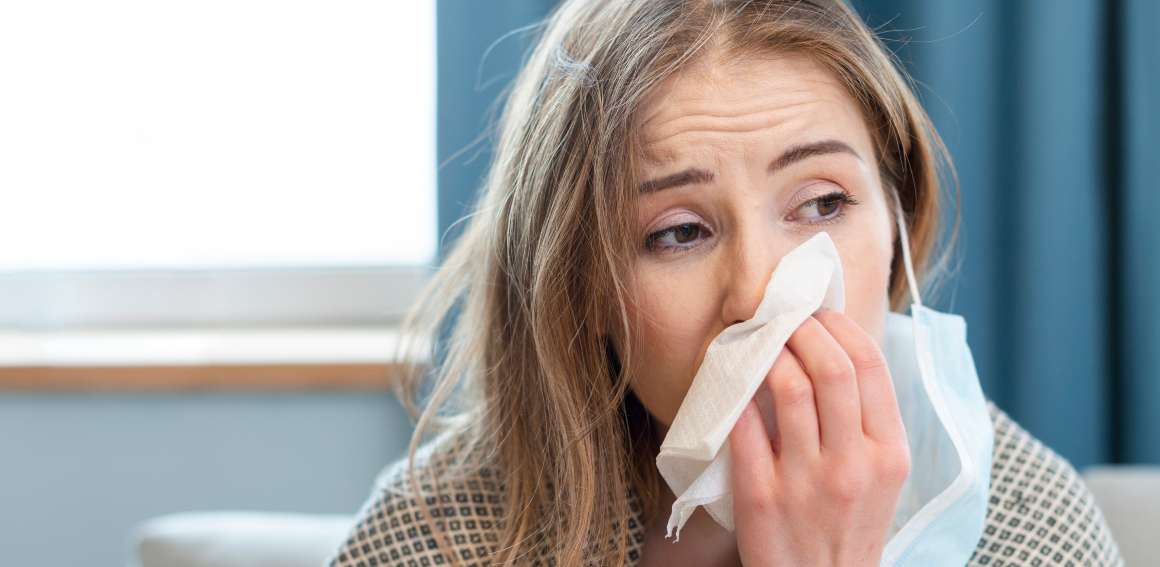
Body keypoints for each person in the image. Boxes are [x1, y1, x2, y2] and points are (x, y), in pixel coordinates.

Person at [328, 1, 1124, 565]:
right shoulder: (436, 539)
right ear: (585, 293)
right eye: (679, 232)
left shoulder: (1029, 529)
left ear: (895, 225)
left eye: (821, 204)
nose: (757, 295)